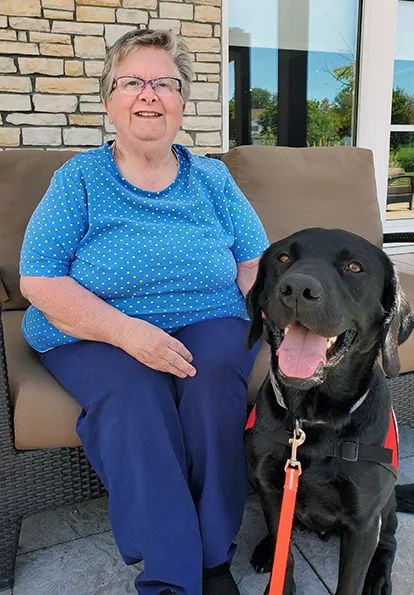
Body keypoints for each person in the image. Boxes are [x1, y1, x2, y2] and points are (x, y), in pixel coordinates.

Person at [19, 29, 269, 595]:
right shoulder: (78, 179)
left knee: (210, 389)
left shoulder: (213, 177)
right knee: (136, 398)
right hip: (94, 327)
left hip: (210, 313)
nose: (148, 94)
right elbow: (38, 277)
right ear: (110, 101)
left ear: (182, 102)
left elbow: (253, 261)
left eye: (165, 83)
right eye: (132, 81)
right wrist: (128, 333)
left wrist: (271, 321)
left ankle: (211, 559)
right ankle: (170, 576)